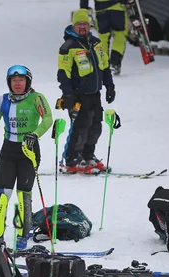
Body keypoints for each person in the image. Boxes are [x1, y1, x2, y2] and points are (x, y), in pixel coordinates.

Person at [0, 65, 53, 249]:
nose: (17, 84)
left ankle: (22, 233)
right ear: (9, 82)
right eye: (14, 81)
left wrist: (35, 134)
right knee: (3, 194)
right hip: (8, 150)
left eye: (21, 80)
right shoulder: (3, 99)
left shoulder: (37, 98)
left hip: (29, 149)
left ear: (28, 82)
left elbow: (48, 119)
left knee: (23, 195)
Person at [58, 8, 116, 174]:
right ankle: (71, 159)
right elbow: (63, 73)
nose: (82, 27)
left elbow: (104, 66)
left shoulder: (96, 43)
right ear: (74, 26)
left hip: (94, 94)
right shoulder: (68, 47)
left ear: (89, 25)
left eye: (85, 24)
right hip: (77, 96)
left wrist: (110, 86)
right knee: (80, 128)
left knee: (95, 127)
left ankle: (87, 156)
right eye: (79, 24)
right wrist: (68, 94)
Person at [80, 0, 127, 75]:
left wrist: (84, 8)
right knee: (120, 36)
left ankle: (103, 64)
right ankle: (114, 63)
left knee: (103, 38)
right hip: (118, 8)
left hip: (100, 9)